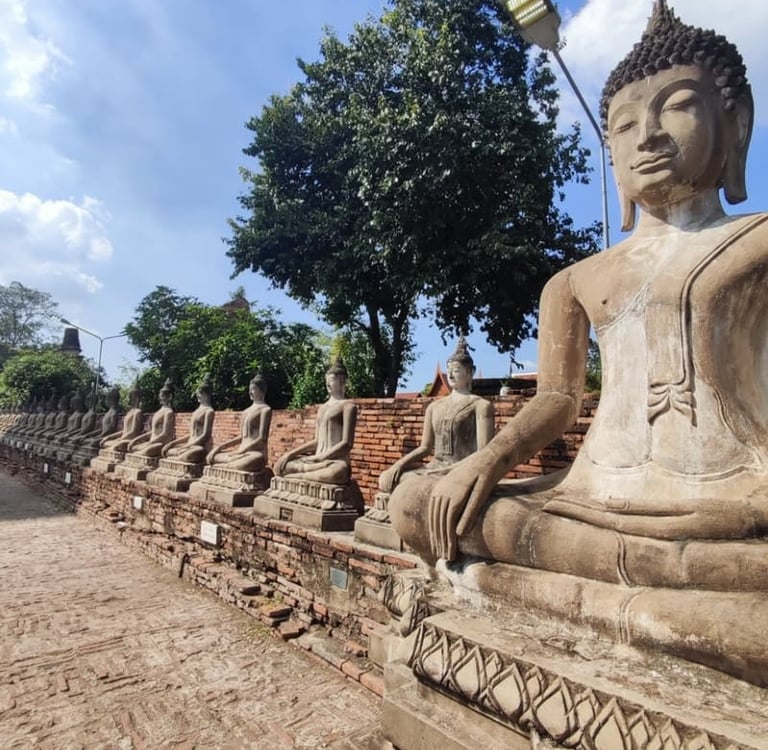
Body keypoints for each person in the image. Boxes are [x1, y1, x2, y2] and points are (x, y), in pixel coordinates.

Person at [389, 4, 768, 685]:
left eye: (677, 107)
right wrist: (491, 460)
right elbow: (561, 399)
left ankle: (647, 610)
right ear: (611, 154)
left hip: (732, 503)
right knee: (415, 504)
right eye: (625, 124)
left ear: (735, 126)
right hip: (589, 501)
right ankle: (672, 617)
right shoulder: (574, 279)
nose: (647, 135)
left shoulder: (759, 240)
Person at [379, 338, 494, 493]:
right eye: (449, 371)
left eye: (457, 370)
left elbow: (483, 455)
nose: (451, 376)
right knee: (394, 480)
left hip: (461, 471)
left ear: (470, 372)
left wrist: (443, 471)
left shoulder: (480, 406)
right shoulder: (434, 407)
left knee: (422, 484)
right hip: (434, 467)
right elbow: (425, 448)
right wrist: (397, 465)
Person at [274, 359, 357, 484]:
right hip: (316, 461)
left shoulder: (348, 406)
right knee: (281, 466)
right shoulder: (322, 408)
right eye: (326, 381)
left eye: (332, 380)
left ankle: (299, 477)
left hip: (334, 462)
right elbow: (317, 441)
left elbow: (347, 444)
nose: (328, 384)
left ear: (342, 381)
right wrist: (290, 454)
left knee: (336, 473)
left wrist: (321, 457)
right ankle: (305, 474)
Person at [207, 373, 271, 472]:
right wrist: (219, 447)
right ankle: (229, 465)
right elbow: (241, 437)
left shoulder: (265, 410)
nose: (250, 392)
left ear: (262, 391)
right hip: (240, 453)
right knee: (216, 456)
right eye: (249, 390)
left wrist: (243, 450)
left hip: (254, 453)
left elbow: (262, 439)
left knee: (249, 461)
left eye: (253, 389)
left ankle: (224, 467)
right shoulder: (246, 411)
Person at [160, 377, 215, 464]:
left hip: (197, 446)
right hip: (189, 445)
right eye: (198, 393)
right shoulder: (196, 412)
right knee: (170, 451)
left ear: (207, 394)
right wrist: (172, 444)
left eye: (200, 393)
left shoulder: (209, 411)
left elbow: (205, 435)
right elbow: (190, 435)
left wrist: (188, 446)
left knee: (192, 454)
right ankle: (177, 457)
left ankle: (176, 459)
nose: (198, 395)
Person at [125, 380, 175, 458]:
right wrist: (136, 440)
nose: (161, 398)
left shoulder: (169, 412)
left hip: (161, 442)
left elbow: (165, 433)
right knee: (135, 447)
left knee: (146, 451)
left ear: (170, 397)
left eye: (163, 396)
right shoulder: (158, 412)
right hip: (152, 441)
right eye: (160, 395)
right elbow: (153, 432)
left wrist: (151, 442)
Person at [99, 387, 143, 452]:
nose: (128, 399)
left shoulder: (138, 412)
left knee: (116, 446)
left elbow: (134, 431)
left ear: (136, 399)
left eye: (130, 397)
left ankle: (115, 461)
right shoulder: (129, 413)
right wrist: (109, 437)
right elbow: (124, 431)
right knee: (106, 443)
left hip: (130, 439)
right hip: (123, 439)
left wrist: (120, 438)